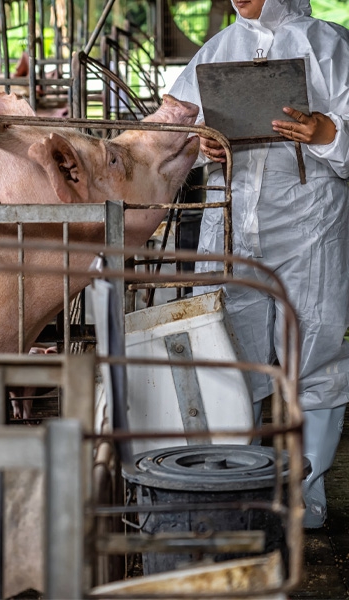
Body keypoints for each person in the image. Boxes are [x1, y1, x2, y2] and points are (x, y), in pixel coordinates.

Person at [169, 0, 349, 528]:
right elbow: (183, 138)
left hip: (307, 222)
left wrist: (327, 133)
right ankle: (236, 485)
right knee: (228, 352)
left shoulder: (327, 43)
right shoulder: (220, 47)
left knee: (311, 348)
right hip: (230, 225)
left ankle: (304, 492)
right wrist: (205, 146)